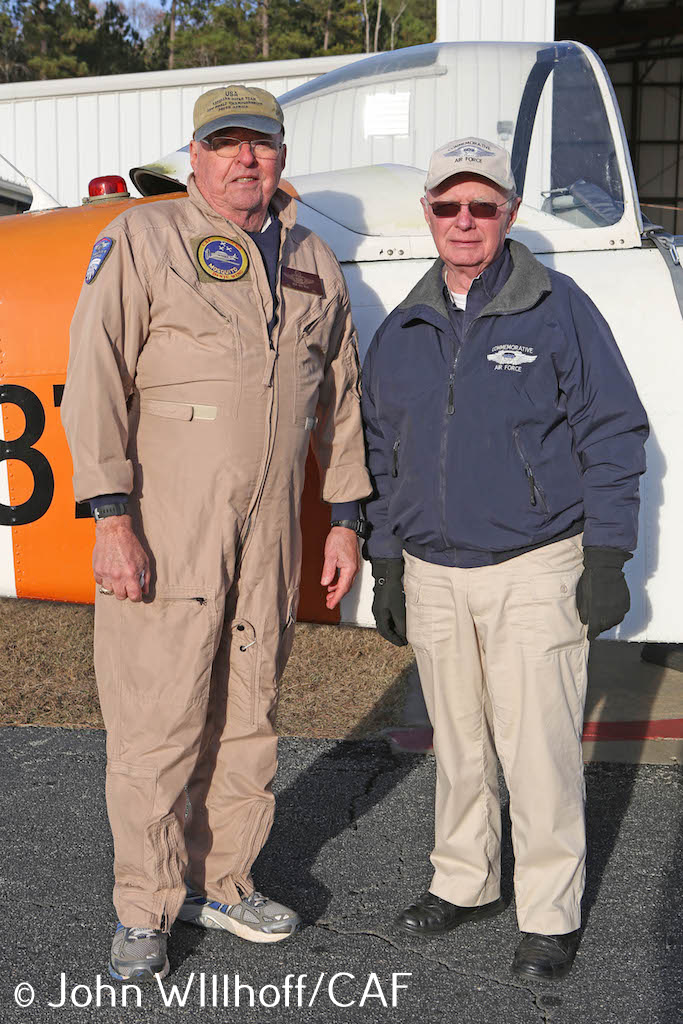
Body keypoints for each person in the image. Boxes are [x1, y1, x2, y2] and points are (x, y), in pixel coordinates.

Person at [61, 84, 371, 982]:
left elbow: (341, 399)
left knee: (247, 713)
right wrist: (111, 518)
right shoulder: (144, 237)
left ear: (280, 155)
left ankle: (224, 880)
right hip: (167, 519)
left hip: (270, 527)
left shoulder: (313, 254)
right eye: (224, 143)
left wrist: (344, 517)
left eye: (260, 145)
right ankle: (142, 908)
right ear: (194, 155)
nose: (245, 159)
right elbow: (95, 379)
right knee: (157, 717)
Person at [361, 137, 648, 981]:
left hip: (534, 565)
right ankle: (464, 880)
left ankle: (550, 913)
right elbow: (380, 453)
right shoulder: (402, 329)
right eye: (447, 206)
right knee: (458, 741)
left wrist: (607, 553)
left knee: (538, 748)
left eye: (480, 207)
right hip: (432, 570)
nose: (463, 221)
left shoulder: (558, 308)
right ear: (427, 215)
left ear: (508, 215)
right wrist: (386, 565)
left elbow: (612, 433)